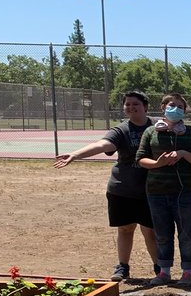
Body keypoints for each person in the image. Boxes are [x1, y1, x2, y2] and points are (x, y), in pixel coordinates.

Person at [53, 89, 159, 281]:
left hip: (150, 189)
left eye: (135, 104)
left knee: (150, 231)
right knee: (125, 229)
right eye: (127, 104)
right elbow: (103, 145)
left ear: (145, 107)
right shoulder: (121, 130)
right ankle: (123, 267)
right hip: (122, 188)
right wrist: (75, 155)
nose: (131, 107)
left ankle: (160, 269)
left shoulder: (157, 126)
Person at [135, 92, 191, 286]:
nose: (175, 109)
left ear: (184, 111)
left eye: (179, 107)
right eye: (171, 105)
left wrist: (184, 153)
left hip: (184, 192)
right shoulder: (150, 132)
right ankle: (164, 271)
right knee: (162, 233)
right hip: (156, 191)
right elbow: (141, 159)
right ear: (163, 107)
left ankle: (188, 271)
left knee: (186, 233)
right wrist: (158, 163)